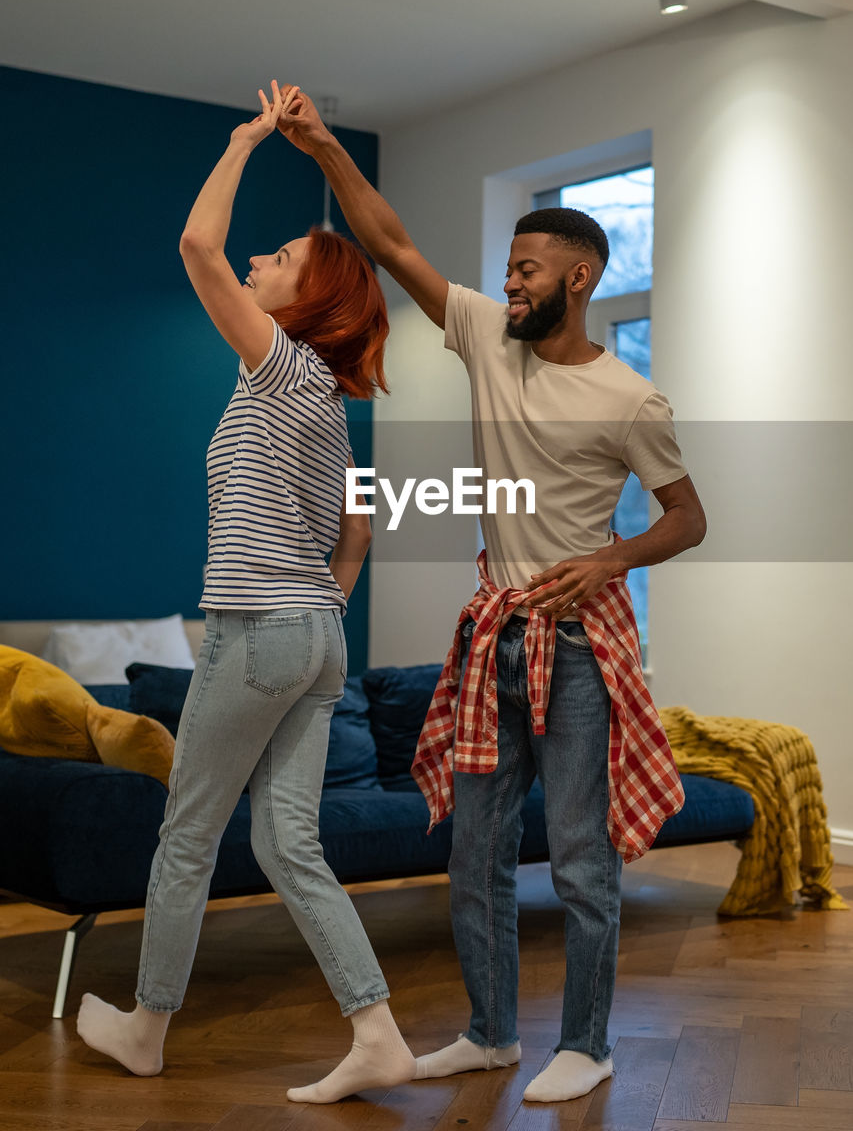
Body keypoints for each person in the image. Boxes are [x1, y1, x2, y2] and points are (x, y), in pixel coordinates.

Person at [275, 84, 707, 1104]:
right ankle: (489, 1031)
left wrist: (612, 559)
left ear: (579, 275)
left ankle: (590, 1041)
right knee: (471, 853)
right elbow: (389, 242)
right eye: (507, 268)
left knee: (580, 863)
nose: (506, 283)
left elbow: (688, 516)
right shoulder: (482, 335)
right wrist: (326, 147)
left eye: (525, 268)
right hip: (491, 638)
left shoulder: (629, 397)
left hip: (578, 648)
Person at [76, 82, 416, 1104]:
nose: (259, 261)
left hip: (259, 633)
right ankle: (376, 1029)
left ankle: (146, 1029)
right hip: (314, 636)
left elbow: (195, 247)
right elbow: (358, 528)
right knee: (285, 838)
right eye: (264, 254)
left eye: (281, 259)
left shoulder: (280, 369)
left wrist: (242, 141)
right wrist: (322, 606)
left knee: (187, 835)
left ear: (303, 301)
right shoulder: (327, 397)